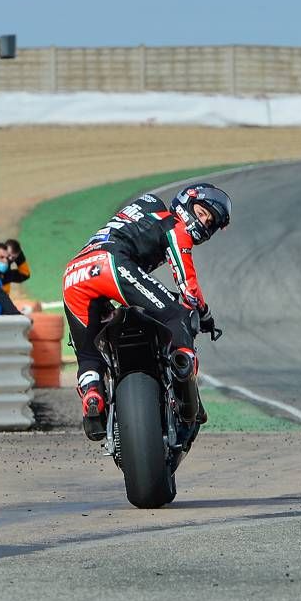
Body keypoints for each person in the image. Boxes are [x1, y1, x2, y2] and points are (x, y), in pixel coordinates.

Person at [62, 182, 232, 441]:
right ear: (187, 204)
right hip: (111, 263)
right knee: (178, 314)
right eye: (201, 213)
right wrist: (205, 314)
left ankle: (93, 397)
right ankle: (185, 386)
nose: (204, 223)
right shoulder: (173, 224)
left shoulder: (146, 210)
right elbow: (188, 288)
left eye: (210, 222)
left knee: (88, 354)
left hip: (75, 273)